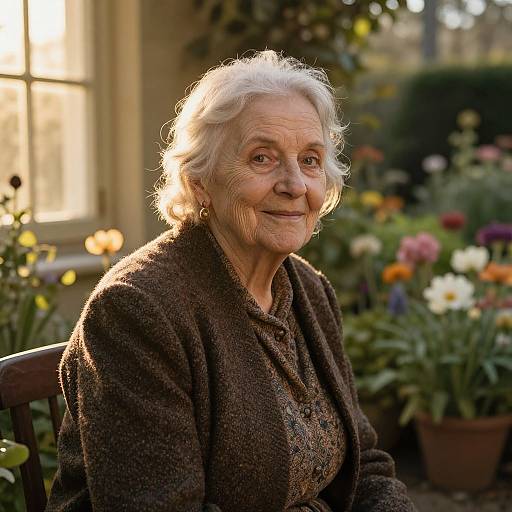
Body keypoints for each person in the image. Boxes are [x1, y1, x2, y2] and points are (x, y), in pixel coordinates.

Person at [46, 50, 417, 512]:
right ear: (200, 180)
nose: (295, 184)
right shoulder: (136, 309)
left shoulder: (308, 289)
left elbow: (367, 469)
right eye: (262, 158)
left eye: (310, 160)